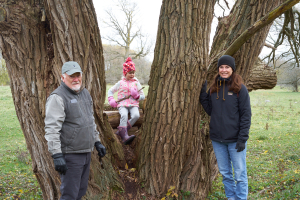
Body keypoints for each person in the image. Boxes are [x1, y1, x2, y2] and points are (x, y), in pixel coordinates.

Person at [44, 61, 106, 200]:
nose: (76, 79)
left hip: (86, 152)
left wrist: (97, 142)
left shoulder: (85, 94)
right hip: (70, 155)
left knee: (80, 192)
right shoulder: (57, 97)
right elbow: (52, 128)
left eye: (78, 75)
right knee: (70, 195)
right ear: (62, 77)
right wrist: (57, 155)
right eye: (72, 76)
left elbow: (90, 121)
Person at [199, 55, 251, 200]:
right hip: (217, 140)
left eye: (227, 67)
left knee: (240, 174)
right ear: (218, 69)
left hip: (235, 140)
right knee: (226, 173)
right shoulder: (214, 88)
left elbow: (246, 115)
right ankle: (231, 198)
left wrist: (242, 139)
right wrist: (203, 95)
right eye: (221, 67)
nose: (224, 70)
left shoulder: (240, 89)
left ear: (232, 69)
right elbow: (210, 110)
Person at [108, 57, 145, 145]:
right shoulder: (120, 83)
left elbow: (143, 96)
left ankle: (122, 131)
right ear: (125, 73)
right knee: (124, 115)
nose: (132, 75)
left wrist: (137, 96)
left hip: (133, 104)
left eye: (133, 73)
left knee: (136, 115)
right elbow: (110, 91)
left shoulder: (136, 83)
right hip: (122, 104)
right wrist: (111, 99)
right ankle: (124, 136)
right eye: (130, 73)